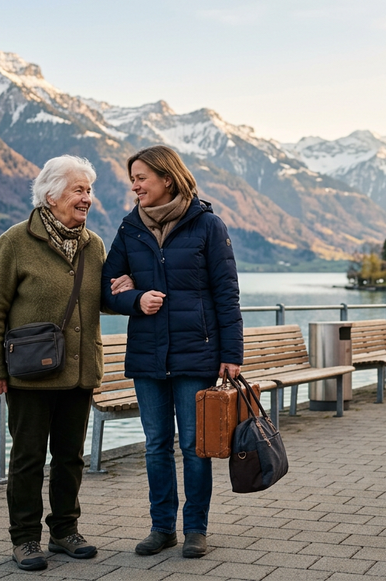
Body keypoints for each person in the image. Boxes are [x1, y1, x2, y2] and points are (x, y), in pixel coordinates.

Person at [102, 144, 243, 560]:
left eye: (142, 177)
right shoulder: (130, 229)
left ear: (167, 178)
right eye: (133, 178)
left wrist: (231, 353)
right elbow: (105, 292)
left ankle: (195, 528)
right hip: (147, 355)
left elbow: (226, 294)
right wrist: (136, 299)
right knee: (156, 443)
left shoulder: (208, 226)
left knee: (195, 445)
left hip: (195, 353)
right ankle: (161, 527)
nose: (135, 185)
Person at [0, 155, 105, 571]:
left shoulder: (95, 244)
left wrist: (126, 289)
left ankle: (65, 532)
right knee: (28, 458)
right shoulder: (15, 241)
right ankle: (25, 540)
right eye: (79, 190)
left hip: (79, 374)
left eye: (89, 190)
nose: (87, 198)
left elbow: (99, 299)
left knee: (70, 458)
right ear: (51, 196)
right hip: (31, 373)